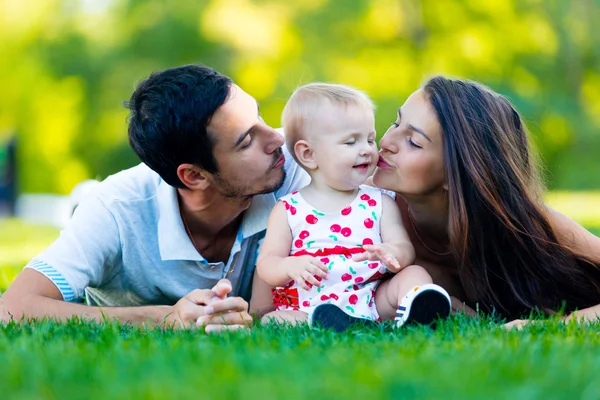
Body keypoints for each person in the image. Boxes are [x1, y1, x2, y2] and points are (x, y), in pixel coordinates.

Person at [0, 65, 310, 332]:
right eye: (246, 141)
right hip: (107, 210)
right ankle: (78, 201)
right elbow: (12, 307)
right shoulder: (114, 210)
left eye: (259, 117)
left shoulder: (290, 162)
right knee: (88, 209)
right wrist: (166, 317)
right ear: (195, 176)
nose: (276, 139)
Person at [370, 75, 600, 326]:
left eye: (414, 142)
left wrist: (550, 326)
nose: (385, 142)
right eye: (396, 123)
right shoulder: (362, 207)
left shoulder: (526, 225)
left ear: (457, 172)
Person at [256, 83, 451, 331]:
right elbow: (267, 264)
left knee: (414, 274)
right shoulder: (288, 209)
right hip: (309, 303)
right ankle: (325, 323)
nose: (368, 150)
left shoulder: (379, 201)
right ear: (308, 154)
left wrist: (391, 253)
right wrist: (289, 266)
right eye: (351, 142)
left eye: (369, 139)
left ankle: (417, 309)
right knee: (273, 320)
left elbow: (404, 249)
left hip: (370, 296)